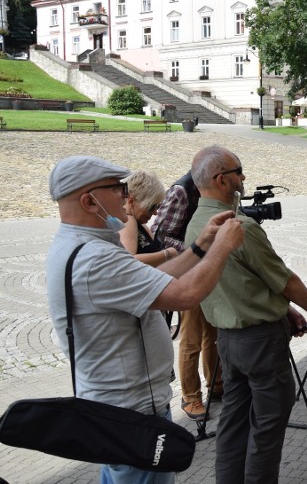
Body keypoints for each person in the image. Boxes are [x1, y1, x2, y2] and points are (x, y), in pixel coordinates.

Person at [45, 155, 244, 484]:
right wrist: (222, 247)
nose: (126, 197)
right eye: (117, 188)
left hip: (115, 407)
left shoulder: (84, 245)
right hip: (131, 411)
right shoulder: (94, 258)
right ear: (88, 200)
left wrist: (199, 247)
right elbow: (184, 295)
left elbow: (152, 280)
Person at [185, 145, 307, 483]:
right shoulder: (240, 227)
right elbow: (285, 280)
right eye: (239, 171)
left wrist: (286, 312)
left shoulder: (197, 222)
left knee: (233, 423)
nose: (244, 177)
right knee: (267, 426)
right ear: (222, 180)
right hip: (259, 343)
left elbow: (247, 283)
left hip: (228, 341)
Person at [151, 170, 221, 421]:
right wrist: (196, 248)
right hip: (187, 271)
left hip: (208, 269)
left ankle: (217, 384)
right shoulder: (182, 190)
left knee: (213, 332)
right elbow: (160, 234)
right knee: (191, 338)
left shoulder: (218, 189)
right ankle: (190, 396)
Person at [118, 170, 178, 266]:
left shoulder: (138, 223)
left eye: (157, 206)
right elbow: (127, 261)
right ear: (131, 201)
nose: (155, 213)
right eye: (151, 207)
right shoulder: (129, 221)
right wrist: (168, 254)